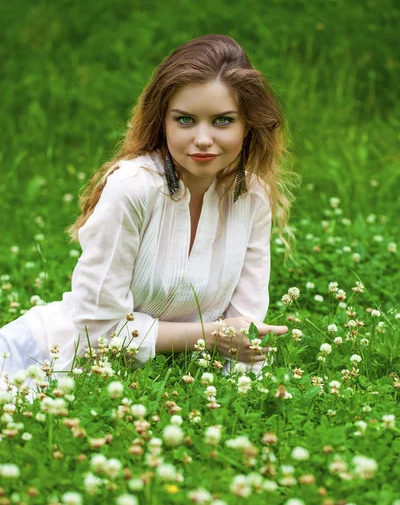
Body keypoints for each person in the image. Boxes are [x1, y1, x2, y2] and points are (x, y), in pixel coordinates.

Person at [0, 34, 295, 390]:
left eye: (222, 121)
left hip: (174, 381)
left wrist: (233, 381)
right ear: (163, 122)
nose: (203, 138)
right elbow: (98, 330)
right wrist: (212, 337)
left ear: (248, 125)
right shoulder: (133, 188)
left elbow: (244, 331)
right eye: (185, 120)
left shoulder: (253, 197)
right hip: (48, 363)